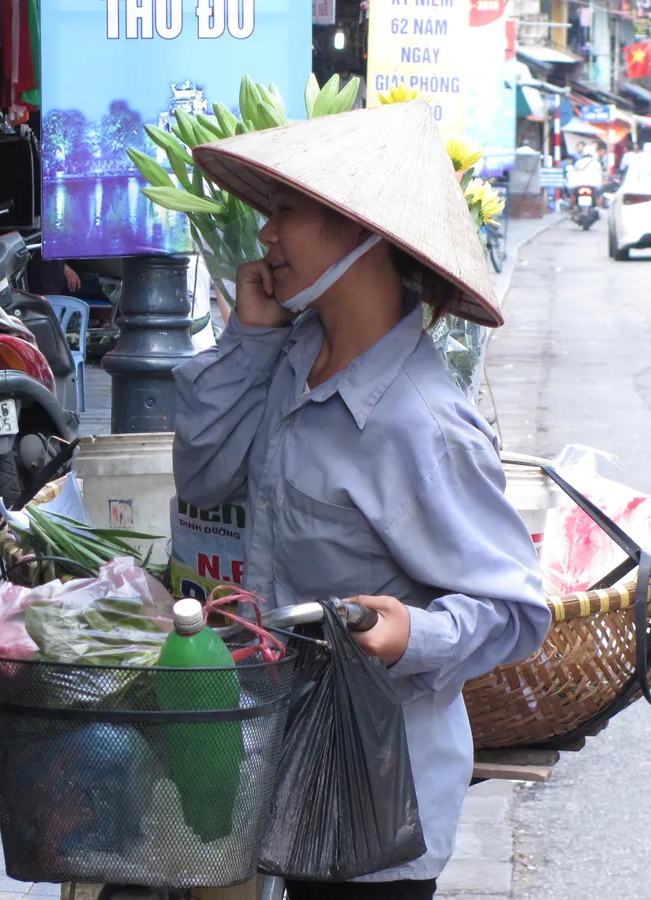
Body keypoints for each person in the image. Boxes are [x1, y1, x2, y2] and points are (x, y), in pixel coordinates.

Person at [175, 101, 551, 898]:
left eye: (286, 212)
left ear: (360, 232)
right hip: (286, 758)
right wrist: (251, 337)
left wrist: (414, 631)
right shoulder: (293, 355)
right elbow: (204, 475)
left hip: (380, 797)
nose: (266, 236)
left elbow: (519, 612)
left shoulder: (425, 426)